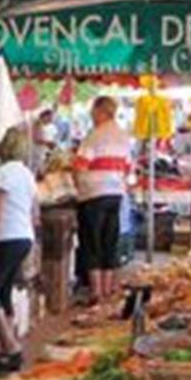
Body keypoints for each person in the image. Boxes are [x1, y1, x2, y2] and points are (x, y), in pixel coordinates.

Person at [0, 126, 37, 374]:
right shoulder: (27, 174)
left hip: (5, 236)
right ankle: (7, 343)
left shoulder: (3, 173)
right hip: (24, 235)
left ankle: (10, 345)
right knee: (4, 291)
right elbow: (34, 210)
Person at [73, 96, 132, 304]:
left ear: (101, 111)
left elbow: (80, 165)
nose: (91, 115)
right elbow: (127, 168)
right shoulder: (123, 136)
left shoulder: (94, 136)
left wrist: (77, 184)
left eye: (93, 111)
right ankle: (108, 290)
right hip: (116, 193)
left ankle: (96, 292)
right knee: (109, 241)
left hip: (93, 194)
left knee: (92, 242)